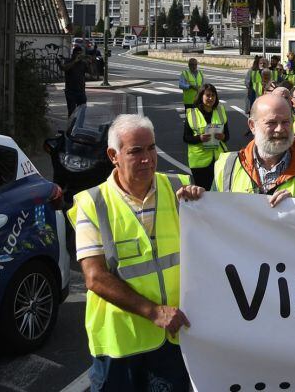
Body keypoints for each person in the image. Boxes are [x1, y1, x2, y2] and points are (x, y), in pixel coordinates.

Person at [69, 114, 203, 391]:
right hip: (120, 343)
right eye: (136, 151)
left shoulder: (180, 189)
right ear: (113, 155)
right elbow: (94, 277)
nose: (148, 158)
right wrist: (153, 312)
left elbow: (217, 243)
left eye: (152, 148)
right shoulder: (93, 202)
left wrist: (205, 206)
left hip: (171, 339)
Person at [213, 93, 295, 202]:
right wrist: (197, 200)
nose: (280, 129)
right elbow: (212, 212)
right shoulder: (227, 166)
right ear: (252, 126)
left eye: (286, 122)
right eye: (271, 122)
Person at [182, 84, 229, 189]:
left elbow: (227, 136)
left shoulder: (220, 111)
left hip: (218, 160)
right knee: (203, 192)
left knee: (218, 191)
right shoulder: (192, 113)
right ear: (201, 96)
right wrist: (200, 138)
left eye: (213, 95)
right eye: (208, 95)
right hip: (199, 162)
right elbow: (186, 137)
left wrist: (222, 136)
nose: (211, 98)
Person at [62, 45, 90, 116]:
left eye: (80, 54)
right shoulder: (68, 61)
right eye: (78, 53)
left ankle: (79, 126)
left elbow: (92, 73)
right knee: (72, 112)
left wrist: (90, 62)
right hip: (70, 91)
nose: (79, 55)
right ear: (73, 54)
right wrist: (75, 61)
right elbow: (64, 68)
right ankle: (71, 127)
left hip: (81, 91)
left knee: (82, 111)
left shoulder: (83, 63)